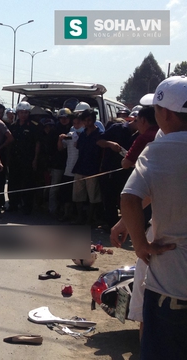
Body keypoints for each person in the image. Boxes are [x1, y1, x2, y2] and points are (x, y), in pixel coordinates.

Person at [119, 75, 187, 359]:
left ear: (165, 113)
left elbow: (130, 198)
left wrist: (141, 245)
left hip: (173, 284)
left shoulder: (160, 150)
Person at [7, 101, 40, 214]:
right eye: (21, 112)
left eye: (26, 112)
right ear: (18, 113)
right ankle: (13, 205)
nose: (23, 115)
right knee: (13, 182)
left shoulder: (34, 126)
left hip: (28, 160)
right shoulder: (13, 126)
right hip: (15, 159)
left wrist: (35, 159)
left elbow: (37, 143)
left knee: (27, 183)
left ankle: (27, 206)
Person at [71, 109, 103, 225]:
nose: (87, 122)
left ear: (94, 120)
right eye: (85, 120)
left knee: (93, 197)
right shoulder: (83, 134)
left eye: (89, 120)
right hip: (80, 167)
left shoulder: (100, 134)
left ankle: (90, 220)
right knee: (78, 195)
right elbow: (78, 147)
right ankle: (80, 218)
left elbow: (102, 153)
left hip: (93, 169)